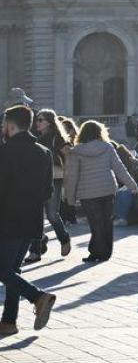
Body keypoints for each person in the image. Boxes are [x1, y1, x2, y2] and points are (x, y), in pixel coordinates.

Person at [0, 105, 57, 337]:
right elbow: (48, 191)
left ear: (11, 125)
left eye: (4, 125)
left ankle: (37, 296)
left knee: (4, 270)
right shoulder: (44, 152)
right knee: (12, 270)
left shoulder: (4, 152)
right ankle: (9, 321)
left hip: (7, 219)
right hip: (32, 221)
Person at [63, 120, 138, 263]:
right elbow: (119, 168)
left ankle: (95, 252)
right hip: (107, 190)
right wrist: (132, 185)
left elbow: (72, 176)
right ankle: (105, 253)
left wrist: (70, 199)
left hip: (88, 193)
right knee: (106, 222)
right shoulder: (108, 147)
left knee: (95, 223)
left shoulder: (76, 151)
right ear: (99, 133)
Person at [23, 110, 72, 264]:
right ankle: (35, 251)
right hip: (36, 180)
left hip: (54, 178)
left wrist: (67, 181)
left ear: (49, 122)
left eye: (40, 120)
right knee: (34, 216)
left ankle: (64, 238)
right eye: (36, 120)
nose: (37, 122)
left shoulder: (57, 138)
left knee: (52, 214)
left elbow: (68, 158)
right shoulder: (35, 138)